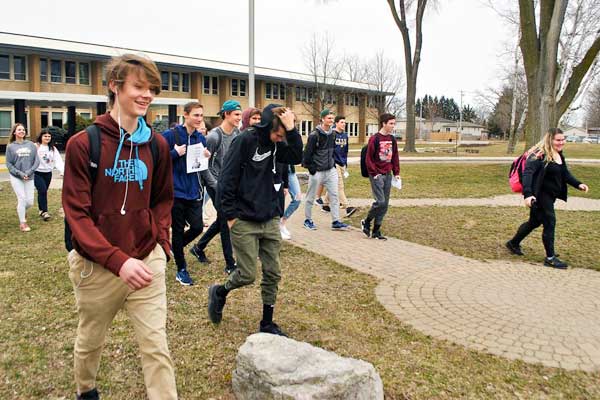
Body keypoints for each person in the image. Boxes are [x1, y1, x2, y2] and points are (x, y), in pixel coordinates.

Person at [62, 54, 177, 400]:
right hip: (97, 268)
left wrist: (161, 243)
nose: (147, 96)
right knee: (90, 341)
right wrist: (116, 261)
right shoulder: (84, 145)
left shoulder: (156, 145)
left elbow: (163, 200)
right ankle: (86, 390)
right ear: (115, 86)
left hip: (145, 261)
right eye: (139, 87)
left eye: (151, 90)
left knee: (157, 346)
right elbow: (77, 216)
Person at [207, 104, 303, 336]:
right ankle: (220, 291)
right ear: (267, 124)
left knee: (273, 272)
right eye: (277, 133)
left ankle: (267, 323)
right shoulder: (245, 141)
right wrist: (230, 217)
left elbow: (297, 156)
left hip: (269, 217)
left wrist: (290, 130)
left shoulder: (279, 145)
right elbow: (227, 180)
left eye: (283, 135)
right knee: (248, 274)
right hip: (243, 219)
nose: (280, 139)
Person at [506, 128, 589, 269]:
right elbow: (528, 173)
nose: (561, 142)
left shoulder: (558, 154)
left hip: (550, 196)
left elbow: (565, 173)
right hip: (539, 196)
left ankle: (513, 243)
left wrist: (578, 184)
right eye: (558, 140)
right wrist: (527, 194)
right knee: (550, 222)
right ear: (550, 139)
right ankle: (550, 258)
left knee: (534, 222)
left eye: (563, 139)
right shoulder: (539, 154)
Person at [189, 100, 242, 274]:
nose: (239, 118)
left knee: (222, 219)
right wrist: (217, 185)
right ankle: (230, 263)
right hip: (215, 183)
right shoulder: (213, 137)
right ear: (226, 114)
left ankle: (198, 247)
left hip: (228, 184)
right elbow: (204, 165)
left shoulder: (237, 134)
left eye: (240, 114)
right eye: (236, 114)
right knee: (226, 220)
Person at [162, 101, 211, 286]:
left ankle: (176, 248)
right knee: (178, 230)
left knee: (198, 227)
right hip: (176, 192)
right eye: (196, 115)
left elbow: (199, 166)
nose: (199, 119)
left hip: (193, 191)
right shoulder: (170, 135)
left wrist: (206, 157)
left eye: (201, 115)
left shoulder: (201, 138)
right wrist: (174, 153)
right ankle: (181, 270)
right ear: (186, 115)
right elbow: (157, 159)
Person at [302, 109, 349, 231]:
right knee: (311, 197)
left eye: (332, 119)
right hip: (317, 171)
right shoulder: (314, 135)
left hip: (330, 170)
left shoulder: (333, 134)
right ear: (322, 119)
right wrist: (312, 169)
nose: (331, 121)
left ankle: (336, 221)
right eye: (329, 118)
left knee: (334, 195)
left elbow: (333, 151)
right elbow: (307, 155)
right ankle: (308, 220)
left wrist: (333, 165)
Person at [361, 113, 400, 241]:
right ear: (384, 123)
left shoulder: (392, 139)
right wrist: (375, 173)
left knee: (385, 204)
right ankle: (366, 221)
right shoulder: (375, 139)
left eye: (394, 123)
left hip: (387, 174)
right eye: (391, 123)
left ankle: (376, 230)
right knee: (380, 201)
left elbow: (395, 157)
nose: (393, 126)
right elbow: (369, 159)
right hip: (376, 174)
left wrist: (396, 173)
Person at [6, 123, 39, 232]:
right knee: (22, 198)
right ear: (14, 132)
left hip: (29, 176)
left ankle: (22, 212)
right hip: (16, 177)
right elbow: (9, 164)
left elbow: (36, 161)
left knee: (29, 202)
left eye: (23, 130)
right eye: (19, 130)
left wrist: (29, 172)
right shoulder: (10, 146)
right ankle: (23, 223)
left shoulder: (30, 145)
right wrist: (20, 174)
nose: (22, 131)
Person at [321, 115, 356, 217]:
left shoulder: (345, 135)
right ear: (336, 123)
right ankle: (347, 206)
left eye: (345, 122)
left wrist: (345, 164)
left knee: (333, 185)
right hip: (333, 163)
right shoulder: (331, 134)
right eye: (341, 122)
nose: (344, 124)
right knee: (340, 186)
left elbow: (345, 150)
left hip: (342, 163)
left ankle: (326, 204)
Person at [34, 128, 65, 221]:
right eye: (45, 136)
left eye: (49, 136)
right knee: (42, 190)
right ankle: (45, 212)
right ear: (41, 137)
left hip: (48, 173)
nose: (47, 138)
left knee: (43, 191)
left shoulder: (52, 148)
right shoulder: (36, 146)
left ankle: (41, 209)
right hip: (37, 173)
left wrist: (62, 171)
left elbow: (58, 161)